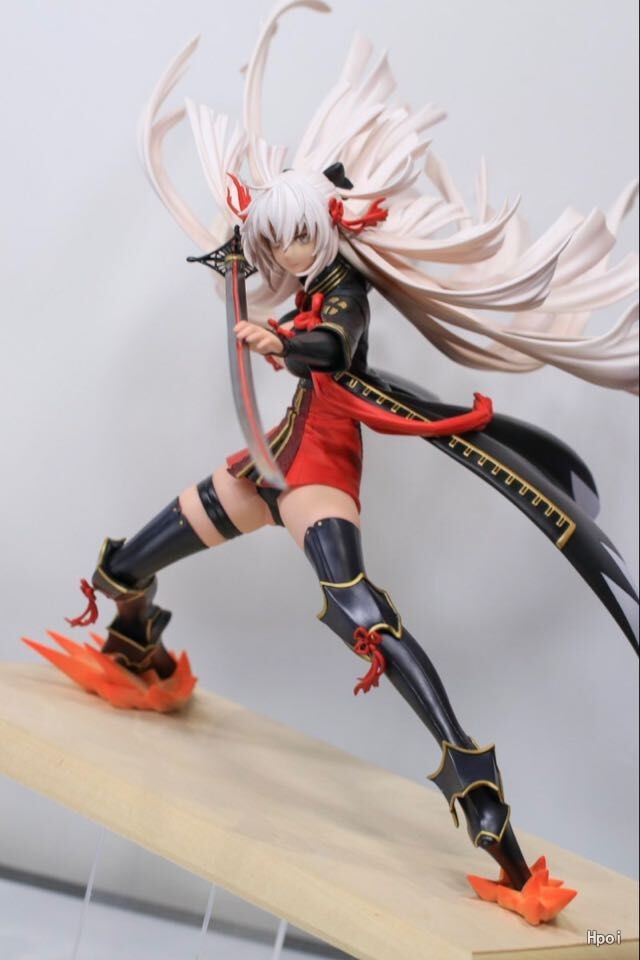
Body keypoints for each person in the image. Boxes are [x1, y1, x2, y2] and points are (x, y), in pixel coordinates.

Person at [27, 0, 638, 924]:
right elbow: (261, 272)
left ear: (328, 226)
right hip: (269, 465)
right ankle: (139, 657)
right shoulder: (302, 273)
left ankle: (499, 837)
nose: (286, 250)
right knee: (125, 566)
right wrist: (241, 256)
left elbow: (335, 349)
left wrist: (281, 340)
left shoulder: (342, 289)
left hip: (316, 476)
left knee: (362, 617)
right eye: (275, 237)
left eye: (296, 233)